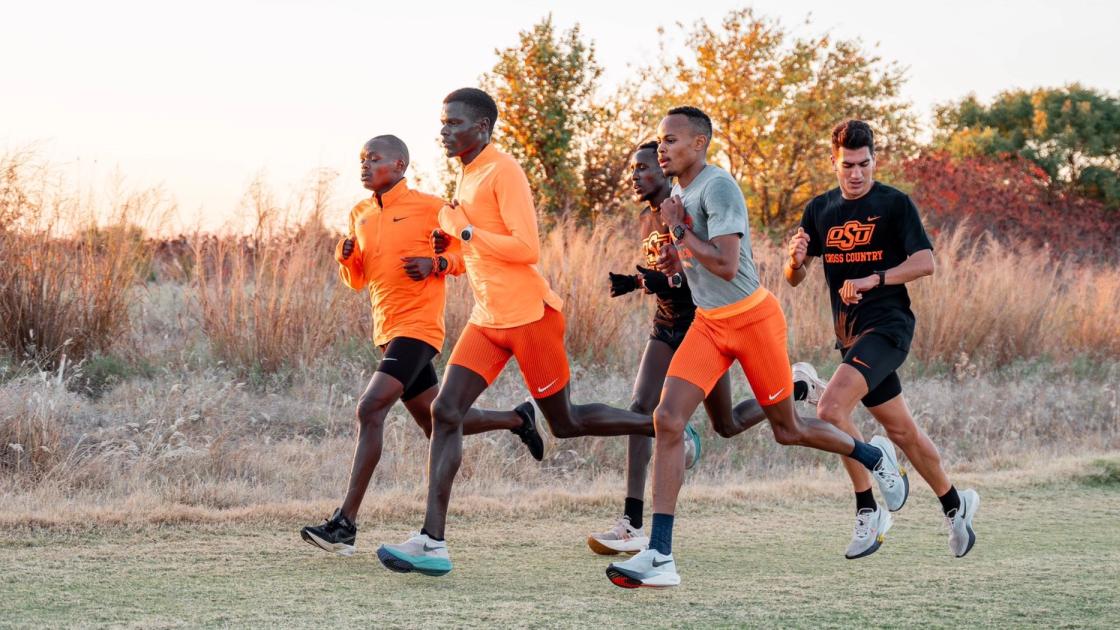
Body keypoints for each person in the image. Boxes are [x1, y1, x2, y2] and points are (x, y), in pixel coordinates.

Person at [375, 89, 700, 577]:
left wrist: (463, 231)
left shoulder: (503, 170)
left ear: (481, 128)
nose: (444, 131)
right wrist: (448, 252)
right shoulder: (466, 174)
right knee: (445, 410)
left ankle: (668, 427)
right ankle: (432, 541)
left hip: (530, 316)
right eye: (442, 123)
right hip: (488, 319)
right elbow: (477, 252)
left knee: (564, 423)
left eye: (453, 123)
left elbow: (525, 248)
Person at [606, 107, 909, 589]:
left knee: (787, 429)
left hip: (752, 320)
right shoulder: (681, 192)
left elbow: (728, 265)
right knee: (666, 419)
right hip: (708, 324)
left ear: (699, 142)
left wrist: (680, 231)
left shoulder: (718, 187)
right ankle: (660, 554)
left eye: (670, 140)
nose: (661, 148)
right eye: (659, 141)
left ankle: (874, 459)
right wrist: (673, 263)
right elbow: (698, 265)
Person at [300, 135, 542, 557]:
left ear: (399, 166)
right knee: (438, 423)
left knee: (369, 408)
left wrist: (438, 263)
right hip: (387, 330)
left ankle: (345, 524)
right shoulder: (359, 213)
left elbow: (468, 256)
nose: (365, 165)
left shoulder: (433, 208)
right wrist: (345, 258)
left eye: (374, 159)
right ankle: (517, 419)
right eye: (361, 159)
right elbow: (358, 280)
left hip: (419, 327)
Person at [587, 140, 827, 555]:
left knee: (726, 424)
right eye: (635, 168)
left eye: (644, 168)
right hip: (666, 327)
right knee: (644, 409)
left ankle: (792, 388)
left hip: (706, 325)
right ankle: (632, 521)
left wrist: (670, 275)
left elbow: (704, 270)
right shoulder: (648, 219)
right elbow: (666, 271)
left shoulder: (689, 207)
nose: (636, 176)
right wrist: (638, 282)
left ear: (668, 171)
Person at [788, 119, 979, 559]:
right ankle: (956, 505)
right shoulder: (820, 209)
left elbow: (926, 262)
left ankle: (869, 503)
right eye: (847, 165)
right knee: (902, 430)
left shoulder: (894, 204)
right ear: (833, 163)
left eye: (864, 164)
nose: (856, 173)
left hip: (889, 326)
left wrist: (875, 279)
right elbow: (794, 280)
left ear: (874, 159)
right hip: (849, 334)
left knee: (830, 408)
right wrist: (794, 262)